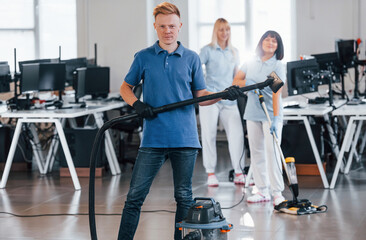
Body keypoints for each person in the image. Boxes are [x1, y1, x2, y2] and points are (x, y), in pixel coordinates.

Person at [118, 2, 243, 240]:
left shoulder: (192, 58)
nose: (168, 30)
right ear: (155, 27)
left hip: (184, 138)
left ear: (180, 26)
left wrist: (223, 95)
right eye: (163, 26)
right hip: (153, 139)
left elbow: (201, 97)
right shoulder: (143, 57)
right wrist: (137, 103)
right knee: (134, 197)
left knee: (184, 197)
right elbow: (125, 87)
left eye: (172, 26)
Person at [232, 30, 286, 206]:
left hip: (271, 113)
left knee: (272, 152)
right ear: (261, 42)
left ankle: (277, 192)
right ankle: (262, 190)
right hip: (253, 112)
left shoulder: (277, 65)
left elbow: (277, 93)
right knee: (256, 153)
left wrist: (277, 118)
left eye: (274, 41)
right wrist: (250, 85)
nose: (270, 43)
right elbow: (236, 81)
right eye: (267, 39)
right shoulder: (251, 62)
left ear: (278, 46)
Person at [199, 18, 246, 187]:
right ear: (215, 31)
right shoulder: (207, 50)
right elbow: (195, 72)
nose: (224, 33)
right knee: (208, 135)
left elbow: (237, 76)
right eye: (221, 30)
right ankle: (210, 172)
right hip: (210, 98)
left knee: (237, 135)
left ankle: (239, 172)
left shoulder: (234, 52)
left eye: (227, 29)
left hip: (228, 99)